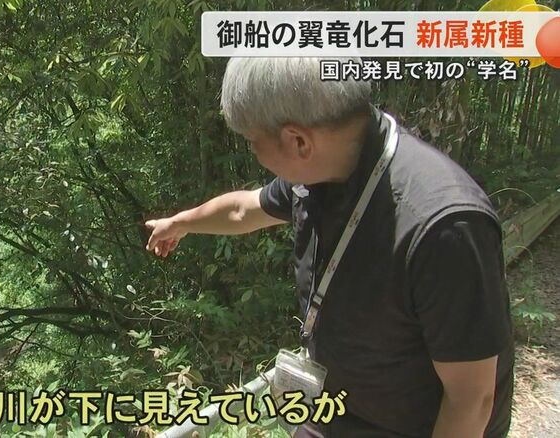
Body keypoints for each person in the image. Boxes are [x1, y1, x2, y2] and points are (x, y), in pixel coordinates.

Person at [144, 57, 514, 437]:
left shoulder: (443, 227)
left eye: (253, 142)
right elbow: (243, 210)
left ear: (298, 141)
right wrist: (181, 223)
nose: (253, 152)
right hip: (336, 410)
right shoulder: (322, 170)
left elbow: (472, 400)